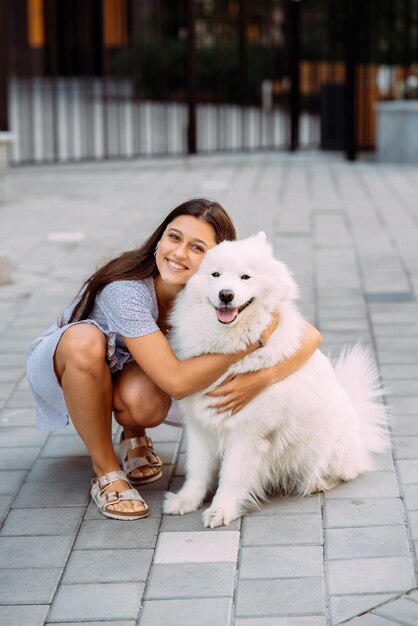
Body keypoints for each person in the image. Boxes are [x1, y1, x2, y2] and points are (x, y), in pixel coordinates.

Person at [27, 198, 321, 521]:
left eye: (197, 248)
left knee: (146, 400)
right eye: (174, 237)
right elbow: (177, 383)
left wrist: (261, 379)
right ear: (159, 239)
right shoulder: (127, 291)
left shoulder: (223, 287)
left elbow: (310, 338)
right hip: (68, 363)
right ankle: (107, 470)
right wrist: (252, 342)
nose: (179, 254)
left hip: (127, 368)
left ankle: (134, 434)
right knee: (85, 343)